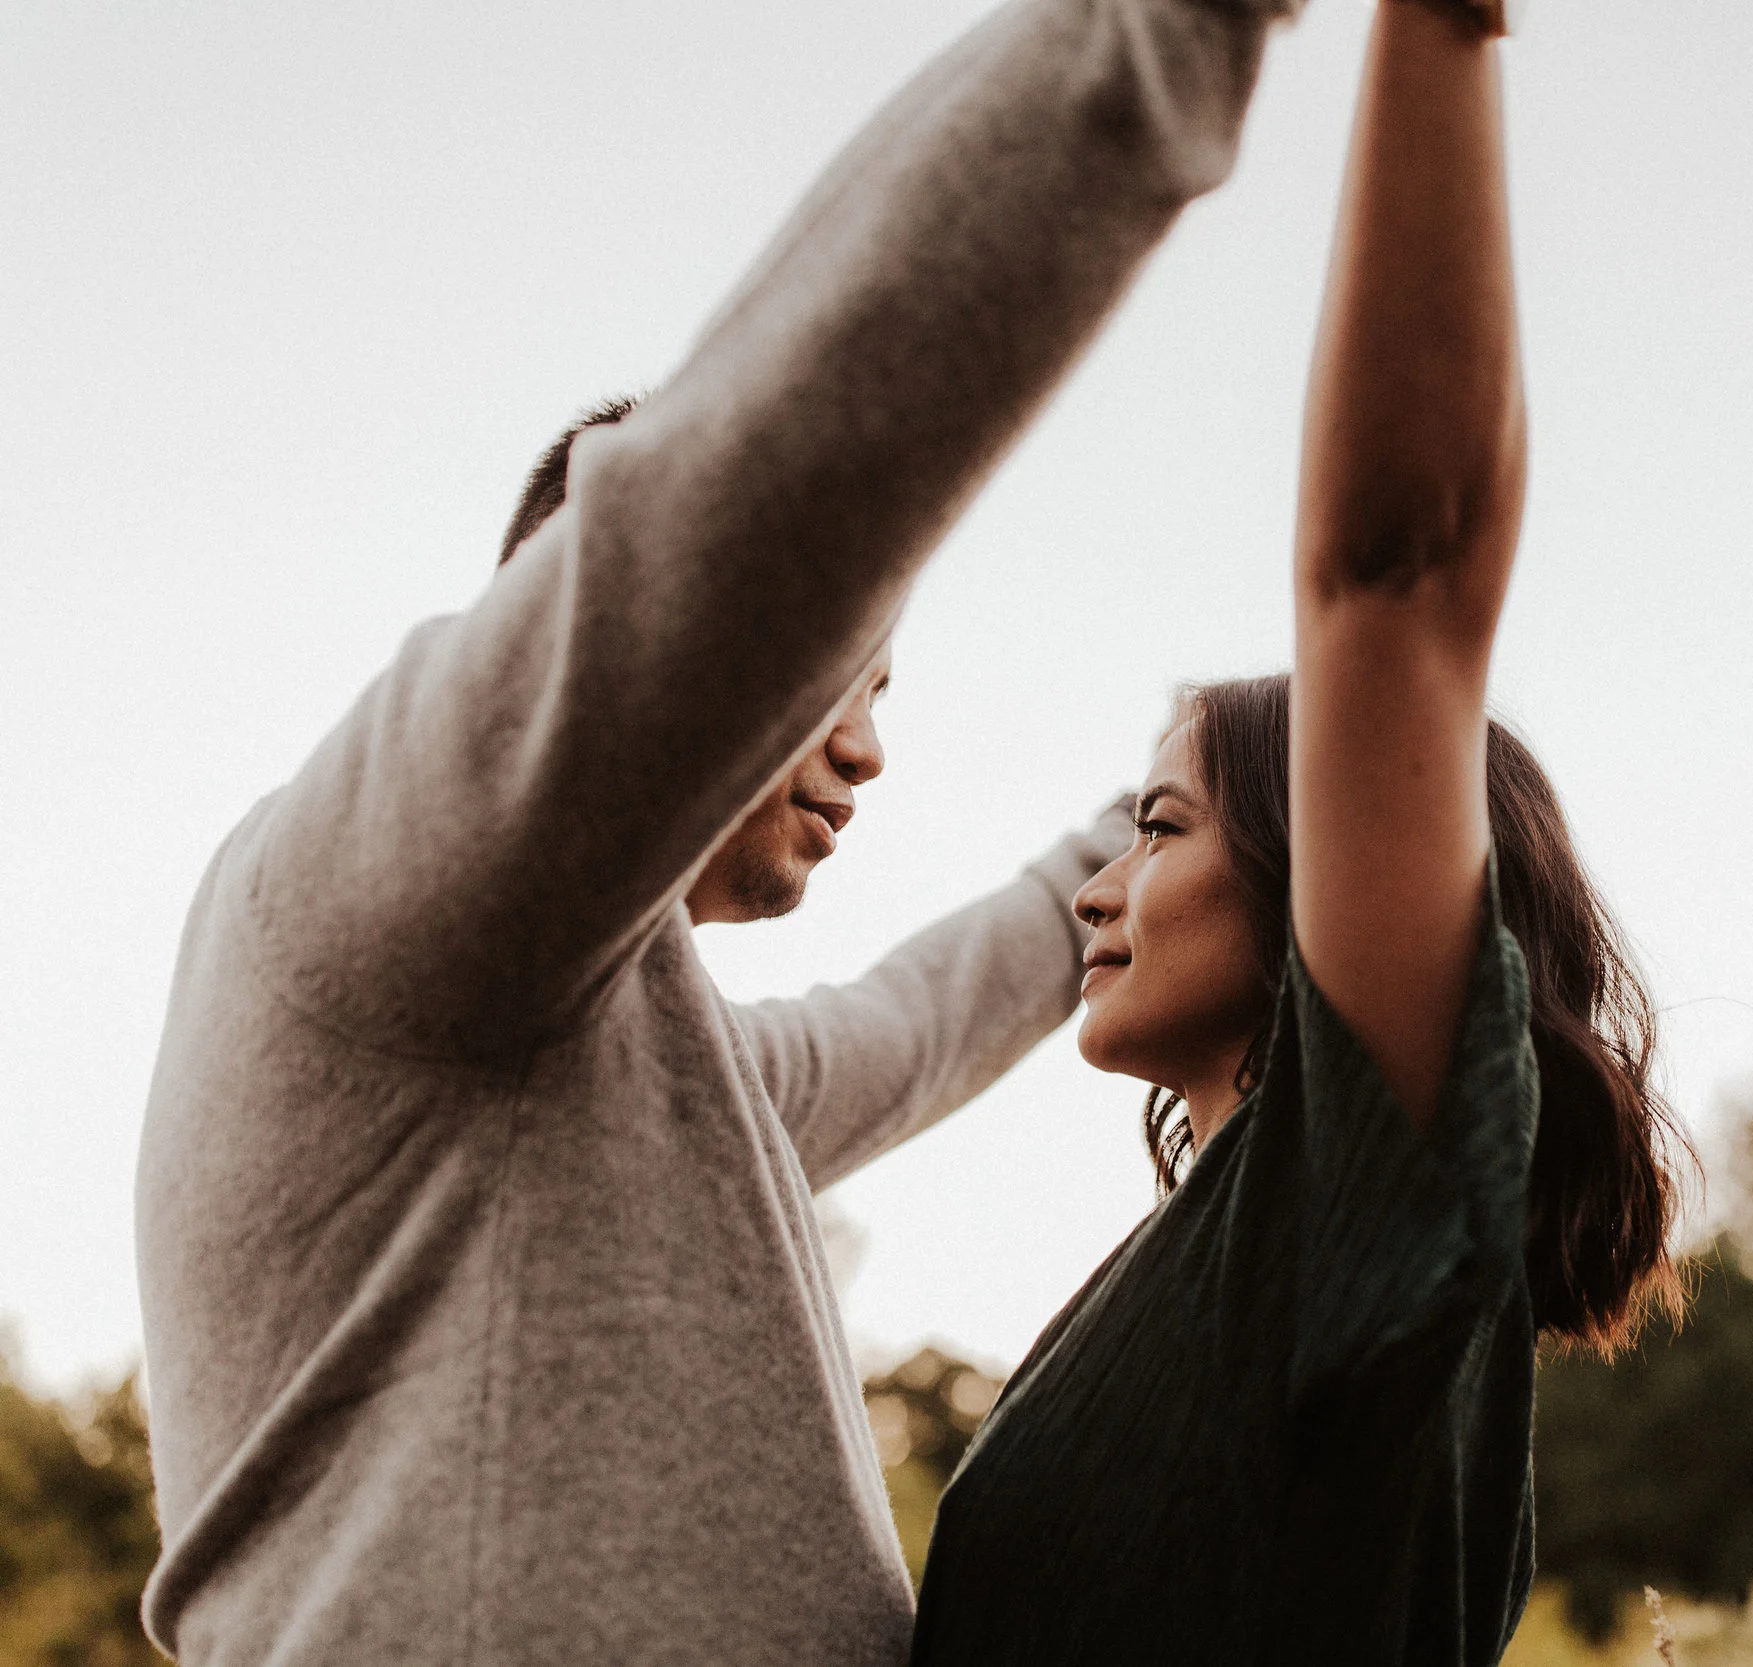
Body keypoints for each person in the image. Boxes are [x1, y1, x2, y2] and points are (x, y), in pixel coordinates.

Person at [133, 0, 1305, 1661]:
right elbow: (760, 495)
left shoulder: (630, 1074)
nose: (871, 749)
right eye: (834, 672)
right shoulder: (356, 892)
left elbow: (932, 1006)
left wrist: (1277, 757)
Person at [908, 2, 1692, 1662]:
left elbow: (1395, 579)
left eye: (1163, 826)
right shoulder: (1192, 1265)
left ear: (1312, 879)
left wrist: (1440, 25)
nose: (1100, 889)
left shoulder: (1351, 1196)